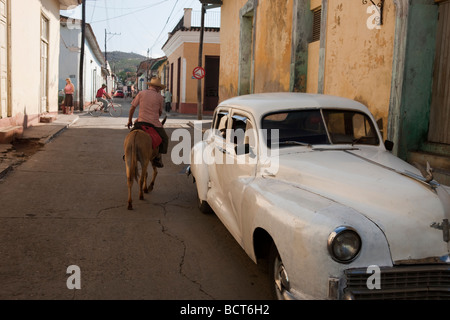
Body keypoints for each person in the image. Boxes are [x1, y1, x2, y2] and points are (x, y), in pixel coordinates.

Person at [127, 77, 168, 168]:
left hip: (140, 122)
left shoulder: (141, 93)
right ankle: (157, 157)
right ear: (157, 88)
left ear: (150, 86)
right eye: (159, 88)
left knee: (130, 137)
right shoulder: (160, 97)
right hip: (154, 124)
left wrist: (130, 120)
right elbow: (160, 112)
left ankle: (127, 153)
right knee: (165, 139)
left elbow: (132, 107)